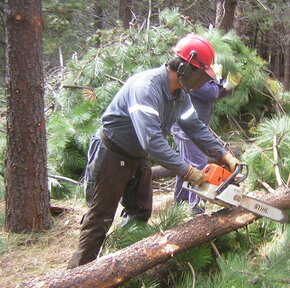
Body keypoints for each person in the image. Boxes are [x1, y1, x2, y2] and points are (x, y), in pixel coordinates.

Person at [68, 34, 240, 269]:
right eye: (202, 73)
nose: (203, 80)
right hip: (113, 153)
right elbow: (152, 141)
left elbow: (195, 127)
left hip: (137, 156)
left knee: (140, 213)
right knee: (100, 220)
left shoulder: (180, 95)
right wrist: (188, 170)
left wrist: (223, 154)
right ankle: (78, 280)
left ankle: (119, 268)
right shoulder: (146, 88)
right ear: (186, 68)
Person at [171, 71, 241, 215]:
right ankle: (196, 207)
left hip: (194, 127)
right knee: (198, 165)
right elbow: (211, 93)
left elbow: (216, 93)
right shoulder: (193, 77)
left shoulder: (202, 79)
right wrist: (219, 81)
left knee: (186, 163)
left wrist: (224, 86)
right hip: (186, 128)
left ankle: (180, 202)